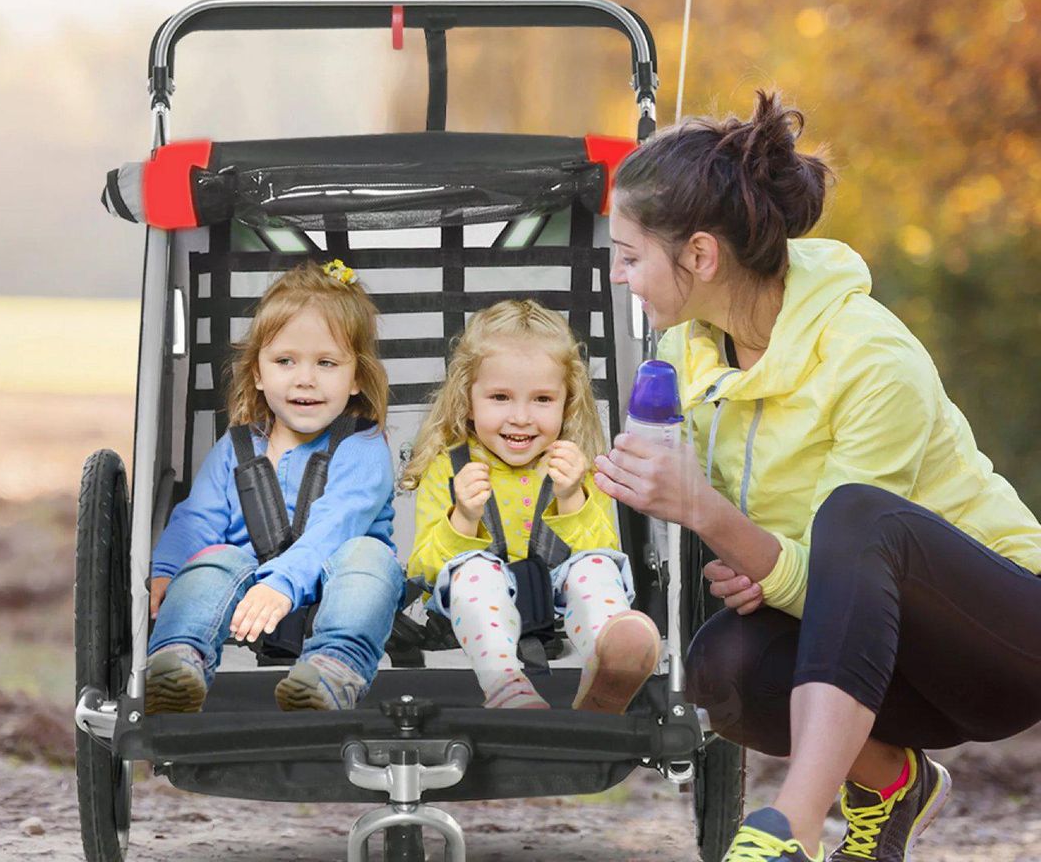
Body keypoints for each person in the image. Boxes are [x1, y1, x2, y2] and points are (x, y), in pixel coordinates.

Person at [593, 90, 1041, 862]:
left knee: (861, 516)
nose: (620, 278)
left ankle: (790, 824)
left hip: (1001, 644)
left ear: (700, 256)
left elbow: (861, 554)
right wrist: (755, 554)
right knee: (720, 666)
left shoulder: (872, 358)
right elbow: (814, 580)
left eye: (631, 258)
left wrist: (724, 525)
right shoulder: (685, 358)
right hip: (874, 659)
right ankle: (893, 781)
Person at [145, 260, 404, 715]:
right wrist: (166, 568)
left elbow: (335, 525)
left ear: (357, 377)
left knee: (371, 559)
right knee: (214, 559)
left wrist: (283, 583)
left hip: (335, 585)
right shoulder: (238, 446)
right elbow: (198, 517)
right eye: (286, 361)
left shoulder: (363, 446)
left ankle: (332, 671)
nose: (304, 378)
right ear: (259, 373)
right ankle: (178, 663)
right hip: (248, 588)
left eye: (326, 363)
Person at [403, 299, 661, 712]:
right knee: (472, 573)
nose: (521, 417)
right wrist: (464, 518)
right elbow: (425, 569)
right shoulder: (449, 467)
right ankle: (506, 685)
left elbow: (604, 550)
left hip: (561, 611)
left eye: (542, 400)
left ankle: (609, 658)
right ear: (468, 400)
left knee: (594, 569)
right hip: (476, 614)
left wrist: (572, 496)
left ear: (567, 402)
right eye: (501, 397)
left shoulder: (573, 464)